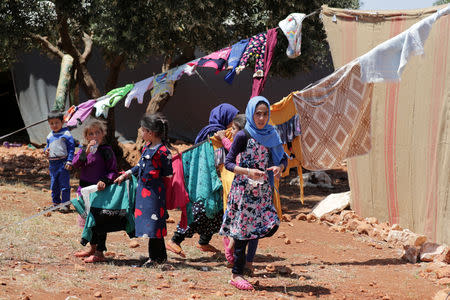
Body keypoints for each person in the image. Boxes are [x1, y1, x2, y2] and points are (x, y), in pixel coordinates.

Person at [220, 96, 287, 290]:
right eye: (258, 114)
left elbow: (283, 159)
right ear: (251, 113)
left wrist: (279, 167)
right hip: (244, 190)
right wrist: (248, 171)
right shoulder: (243, 135)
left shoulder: (272, 134)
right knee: (244, 232)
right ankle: (236, 274)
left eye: (265, 114)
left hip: (263, 191)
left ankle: (234, 242)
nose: (261, 118)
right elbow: (229, 163)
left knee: (270, 225)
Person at [166, 103, 239, 257]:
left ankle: (203, 242)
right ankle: (174, 240)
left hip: (215, 177)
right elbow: (218, 158)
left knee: (218, 213)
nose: (234, 123)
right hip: (205, 178)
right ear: (224, 118)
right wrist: (225, 141)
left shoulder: (219, 132)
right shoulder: (214, 133)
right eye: (233, 119)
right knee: (200, 213)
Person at [115, 113, 174, 267]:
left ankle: (155, 259)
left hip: (155, 194)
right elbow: (140, 166)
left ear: (150, 132)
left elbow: (168, 175)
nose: (140, 132)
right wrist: (127, 174)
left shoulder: (163, 152)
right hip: (144, 193)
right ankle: (158, 258)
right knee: (150, 225)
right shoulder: (148, 147)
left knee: (154, 226)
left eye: (142, 129)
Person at [72, 120, 118, 263]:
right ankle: (92, 248)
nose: (94, 136)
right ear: (86, 137)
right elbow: (75, 164)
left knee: (99, 221)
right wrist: (85, 152)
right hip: (84, 190)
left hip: (100, 191)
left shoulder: (106, 150)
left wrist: (105, 180)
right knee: (88, 220)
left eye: (97, 132)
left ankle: (99, 252)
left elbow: (113, 170)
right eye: (91, 133)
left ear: (103, 134)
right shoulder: (84, 150)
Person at [44, 110, 75, 213]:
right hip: (53, 165)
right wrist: (46, 151)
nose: (54, 125)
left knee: (64, 185)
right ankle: (56, 204)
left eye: (57, 122)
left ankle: (66, 205)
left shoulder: (66, 134)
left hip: (63, 163)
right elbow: (47, 147)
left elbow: (71, 148)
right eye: (51, 123)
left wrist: (69, 161)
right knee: (54, 185)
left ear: (62, 122)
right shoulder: (49, 135)